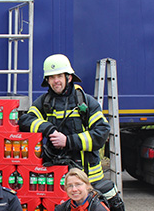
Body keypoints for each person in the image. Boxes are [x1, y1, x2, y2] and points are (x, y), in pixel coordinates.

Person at [19, 53, 109, 185]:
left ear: (69, 77)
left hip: (86, 178)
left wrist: (68, 141)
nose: (56, 81)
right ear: (47, 80)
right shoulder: (45, 102)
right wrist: (49, 130)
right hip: (56, 176)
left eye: (60, 76)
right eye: (52, 77)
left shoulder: (85, 102)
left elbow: (102, 133)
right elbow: (25, 121)